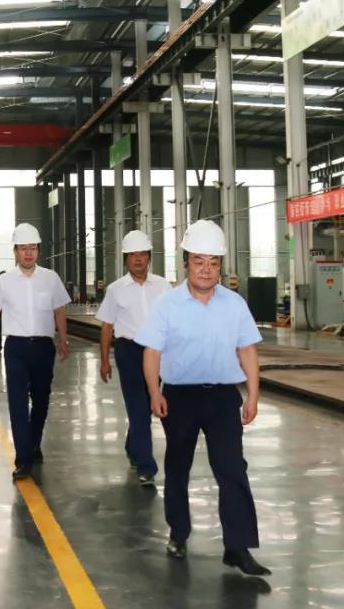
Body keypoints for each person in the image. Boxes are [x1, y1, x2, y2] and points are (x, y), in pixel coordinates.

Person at [135, 220, 270, 577]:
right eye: (199, 261)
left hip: (223, 398)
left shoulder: (235, 304)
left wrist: (253, 395)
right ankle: (178, 533)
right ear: (186, 264)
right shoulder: (167, 305)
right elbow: (151, 353)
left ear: (220, 266)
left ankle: (238, 547)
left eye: (213, 262)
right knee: (177, 467)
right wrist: (154, 392)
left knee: (232, 469)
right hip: (179, 398)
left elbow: (247, 350)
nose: (206, 269)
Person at [0, 223, 70, 480]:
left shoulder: (50, 278)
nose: (28, 253)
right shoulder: (5, 281)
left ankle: (33, 442)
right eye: (23, 248)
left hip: (43, 348)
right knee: (17, 402)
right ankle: (23, 459)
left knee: (41, 400)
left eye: (32, 248)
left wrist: (63, 339)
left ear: (38, 250)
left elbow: (59, 310)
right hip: (15, 348)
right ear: (15, 252)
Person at [96, 230, 171, 488]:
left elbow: (172, 321)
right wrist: (104, 360)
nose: (138, 259)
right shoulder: (116, 290)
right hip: (128, 351)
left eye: (142, 254)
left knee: (148, 404)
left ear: (149, 257)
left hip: (157, 351)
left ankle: (132, 445)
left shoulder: (163, 287)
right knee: (138, 406)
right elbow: (107, 326)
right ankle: (146, 466)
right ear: (125, 259)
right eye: (133, 255)